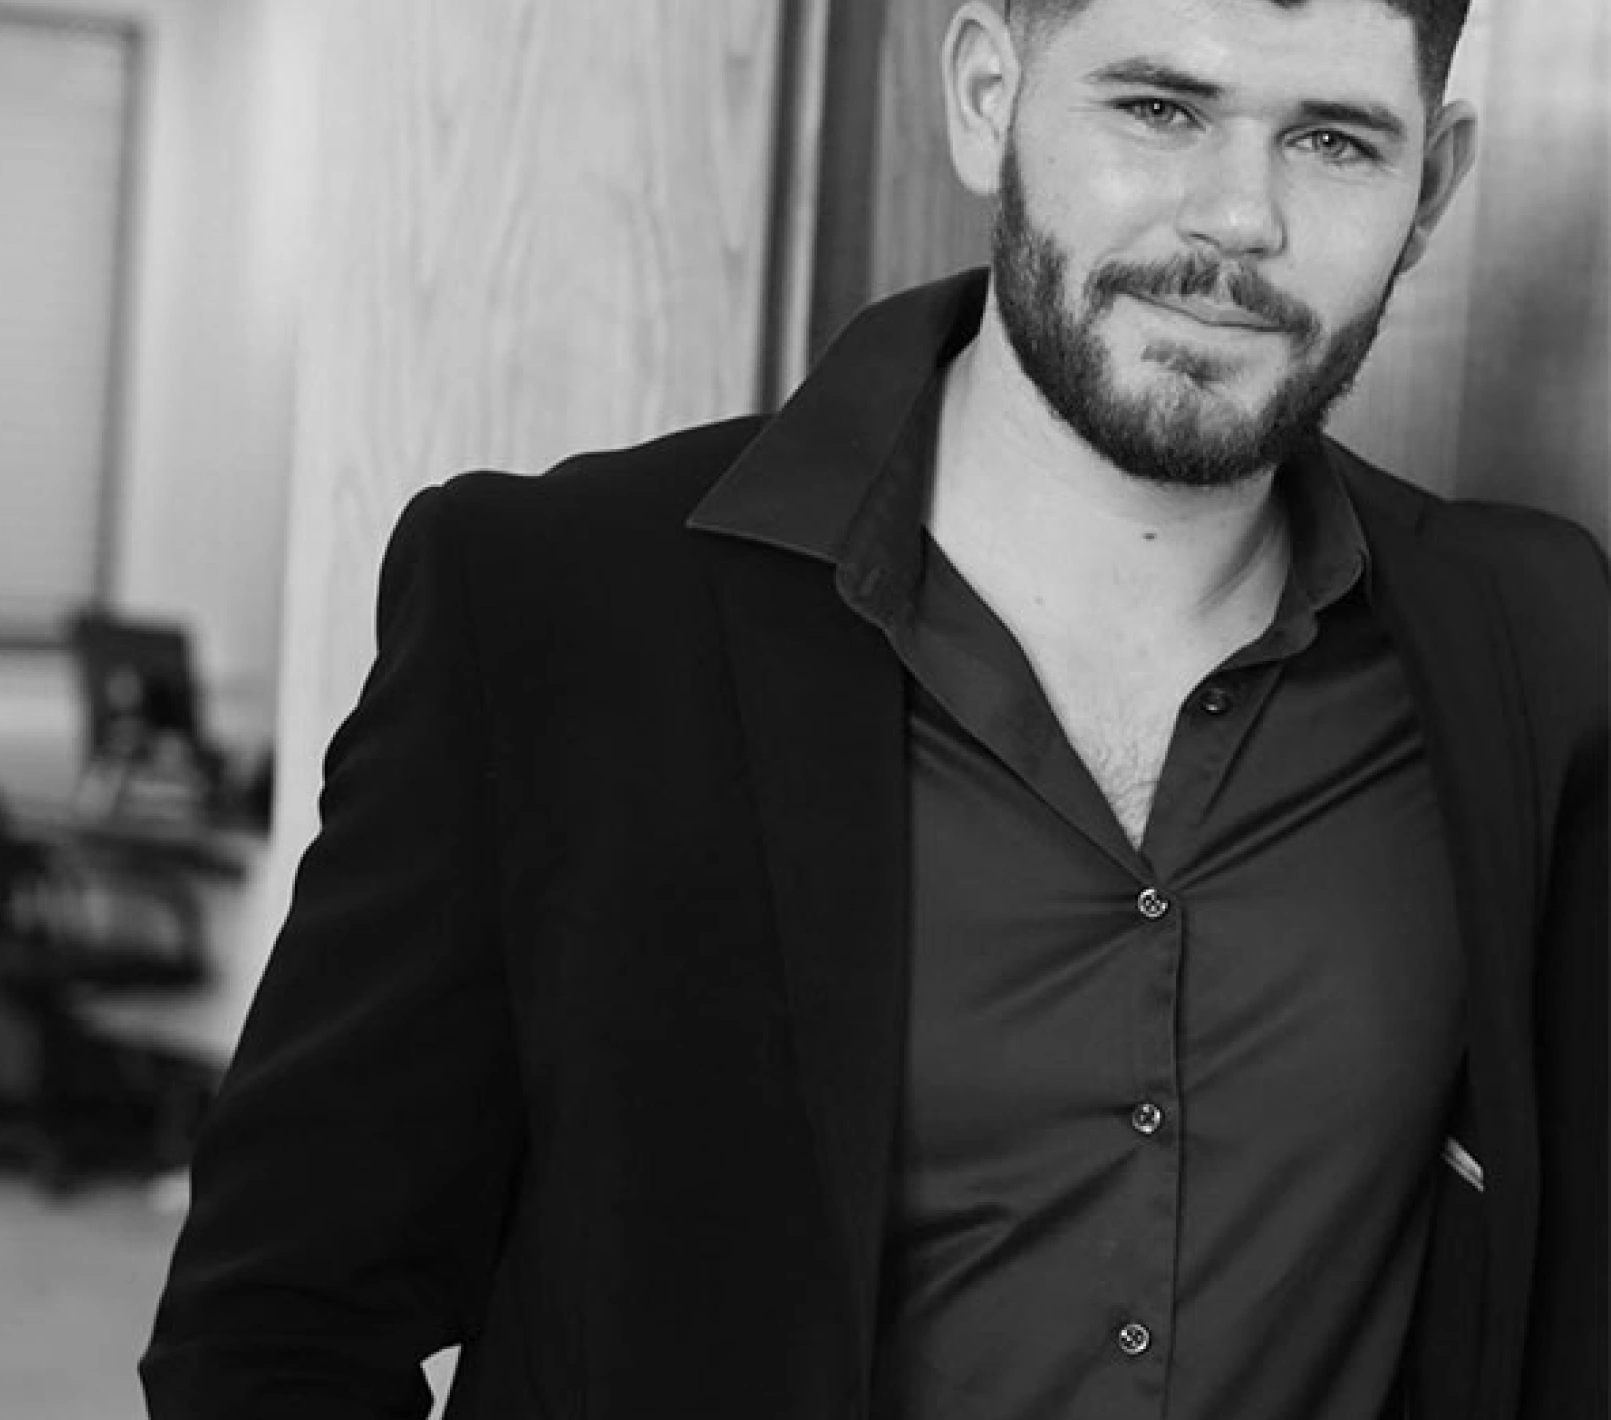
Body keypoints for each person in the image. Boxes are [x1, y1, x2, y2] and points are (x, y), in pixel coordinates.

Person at [141, 0, 1607, 1415]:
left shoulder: (1533, 644)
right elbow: (278, 1326)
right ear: (985, 96)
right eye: (1161, 107)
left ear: (1432, 185)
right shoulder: (559, 606)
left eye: (1334, 141)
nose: (1239, 218)